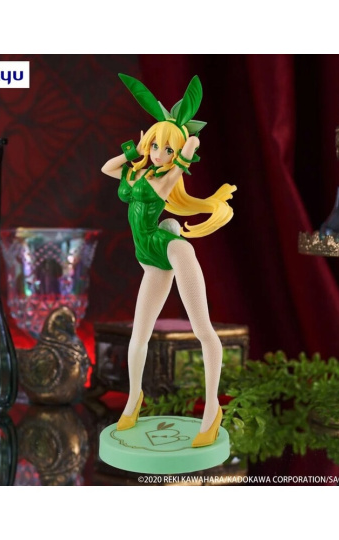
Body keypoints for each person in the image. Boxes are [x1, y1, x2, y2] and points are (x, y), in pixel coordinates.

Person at [101, 73, 236, 447]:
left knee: (202, 329)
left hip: (169, 249)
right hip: (149, 257)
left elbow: (181, 159)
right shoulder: (135, 172)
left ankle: (212, 409)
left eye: (167, 150)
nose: (159, 154)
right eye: (156, 145)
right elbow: (107, 168)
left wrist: (187, 143)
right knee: (139, 335)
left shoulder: (163, 179)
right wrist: (136, 151)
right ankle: (134, 399)